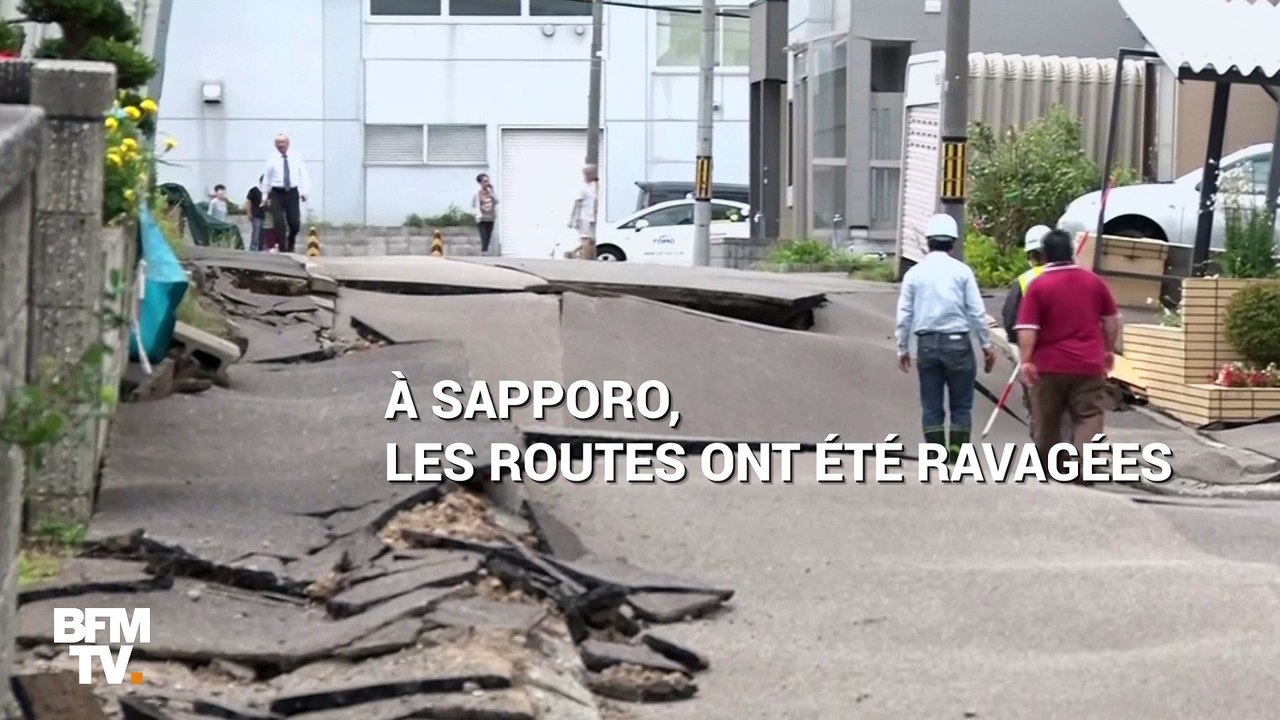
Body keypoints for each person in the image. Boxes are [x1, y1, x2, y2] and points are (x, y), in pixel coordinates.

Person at [1013, 228, 1122, 477]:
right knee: (1089, 416)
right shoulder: (1093, 282)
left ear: (1044, 255)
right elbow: (1111, 319)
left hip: (1048, 367)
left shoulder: (1038, 285)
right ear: (1072, 253)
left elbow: (1028, 328)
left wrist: (1026, 361)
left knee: (1047, 421)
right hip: (1088, 365)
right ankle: (1083, 467)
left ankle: (1053, 471)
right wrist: (1107, 350)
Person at [896, 213, 996, 461]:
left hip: (927, 344)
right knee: (961, 405)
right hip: (958, 344)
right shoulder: (962, 272)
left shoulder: (914, 274)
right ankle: (957, 456)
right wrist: (986, 345)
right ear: (953, 243)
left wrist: (903, 348)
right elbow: (976, 311)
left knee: (931, 406)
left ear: (928, 242)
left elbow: (904, 314)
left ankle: (936, 456)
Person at [1000, 224, 1071, 443]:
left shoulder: (1024, 281)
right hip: (1068, 352)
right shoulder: (1072, 276)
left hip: (1035, 354)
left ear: (1031, 255)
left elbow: (1010, 318)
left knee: (1037, 404)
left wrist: (1020, 350)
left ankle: (1044, 449)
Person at [258, 133, 310, 253]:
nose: (281, 144)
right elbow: (267, 178)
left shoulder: (296, 156)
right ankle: (283, 248)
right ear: (275, 145)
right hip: (277, 193)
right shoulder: (272, 158)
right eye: (279, 142)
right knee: (279, 223)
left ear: (288, 143)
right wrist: (264, 196)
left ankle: (291, 241)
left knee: (294, 223)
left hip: (292, 192)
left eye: (283, 142)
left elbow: (303, 175)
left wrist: (304, 191)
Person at [567, 165, 598, 259]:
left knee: (587, 239)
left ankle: (587, 258)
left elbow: (579, 204)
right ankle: (588, 258)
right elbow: (578, 204)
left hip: (588, 216)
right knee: (588, 239)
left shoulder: (589, 187)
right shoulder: (589, 187)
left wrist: (572, 219)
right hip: (588, 216)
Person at [471, 173, 498, 255]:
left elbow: (497, 201)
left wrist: (492, 193)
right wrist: (476, 213)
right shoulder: (477, 193)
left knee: (489, 235)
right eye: (485, 181)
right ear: (480, 183)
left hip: (491, 217)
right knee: (484, 235)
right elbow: (474, 204)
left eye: (488, 181)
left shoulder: (491, 192)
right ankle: (484, 251)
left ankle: (485, 250)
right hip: (481, 217)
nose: (487, 183)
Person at [245, 176, 265, 252]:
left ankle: (260, 249)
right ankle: (253, 249)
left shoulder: (268, 192)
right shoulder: (254, 190)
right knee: (256, 232)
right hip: (256, 215)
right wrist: (249, 213)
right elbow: (248, 202)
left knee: (262, 233)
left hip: (264, 216)